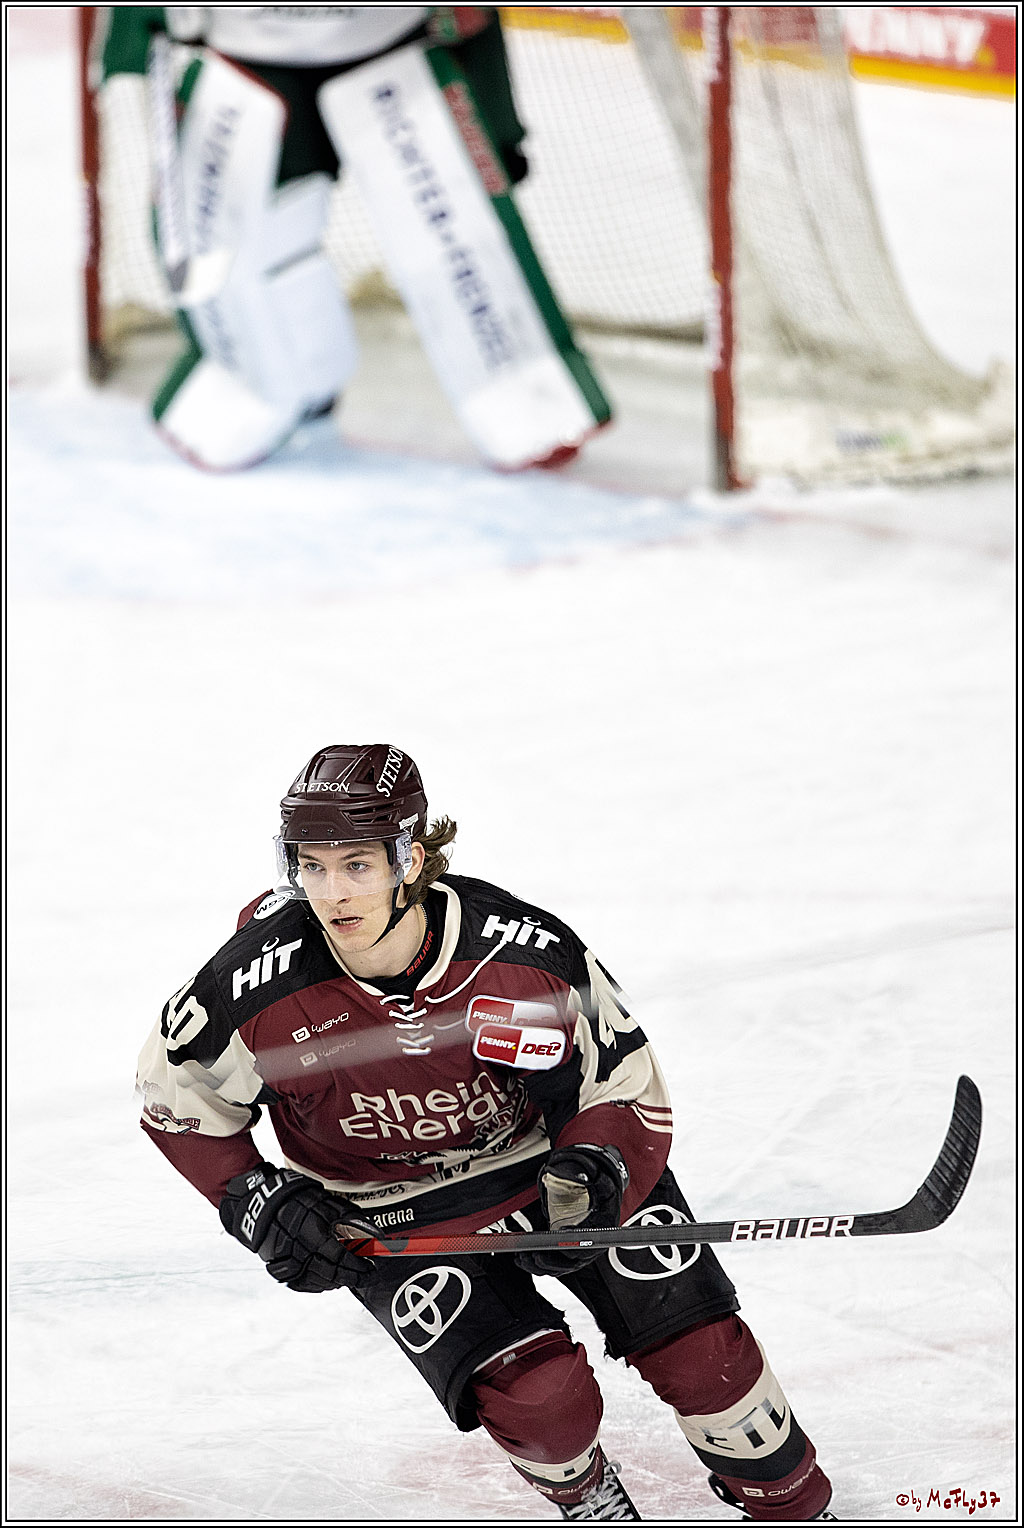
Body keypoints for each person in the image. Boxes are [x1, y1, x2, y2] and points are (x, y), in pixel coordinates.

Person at [137, 744, 835, 1521]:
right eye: (312, 866)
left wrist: (598, 1165)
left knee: (705, 1360)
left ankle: (796, 1507)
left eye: (358, 865)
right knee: (543, 1401)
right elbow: (178, 1105)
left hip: (546, 1170)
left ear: (410, 858)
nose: (333, 893)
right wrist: (260, 1201)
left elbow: (617, 1081)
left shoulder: (519, 956)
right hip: (388, 1212)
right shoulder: (249, 990)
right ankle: (588, 1497)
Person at [99, 7, 611, 471]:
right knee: (232, 247)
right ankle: (263, 383)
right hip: (244, 60)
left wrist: (496, 115)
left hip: (393, 47)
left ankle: (530, 392)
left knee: (455, 236)